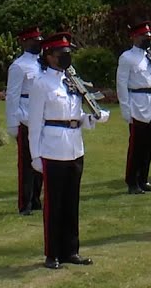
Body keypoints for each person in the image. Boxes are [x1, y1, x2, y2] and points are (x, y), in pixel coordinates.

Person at [28, 32, 110, 270]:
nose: (67, 57)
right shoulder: (41, 84)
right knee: (54, 204)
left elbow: (74, 116)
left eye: (68, 53)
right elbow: (35, 124)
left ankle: (70, 250)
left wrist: (91, 117)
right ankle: (52, 253)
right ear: (50, 56)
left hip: (74, 146)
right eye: (62, 54)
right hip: (52, 149)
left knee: (71, 202)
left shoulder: (73, 81)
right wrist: (35, 155)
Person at [115, 21, 151, 194]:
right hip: (137, 103)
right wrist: (126, 109)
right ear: (135, 37)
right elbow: (121, 84)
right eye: (144, 36)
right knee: (136, 146)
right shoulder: (127, 57)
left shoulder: (150, 56)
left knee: (149, 145)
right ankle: (132, 181)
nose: (147, 39)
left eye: (149, 36)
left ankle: (144, 179)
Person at [5, 25, 44, 215]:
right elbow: (12, 95)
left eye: (38, 39)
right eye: (33, 40)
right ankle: (25, 202)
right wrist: (13, 122)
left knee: (41, 158)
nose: (37, 42)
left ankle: (36, 197)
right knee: (27, 162)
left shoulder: (44, 63)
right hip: (26, 117)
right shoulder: (19, 66)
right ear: (24, 42)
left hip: (42, 116)